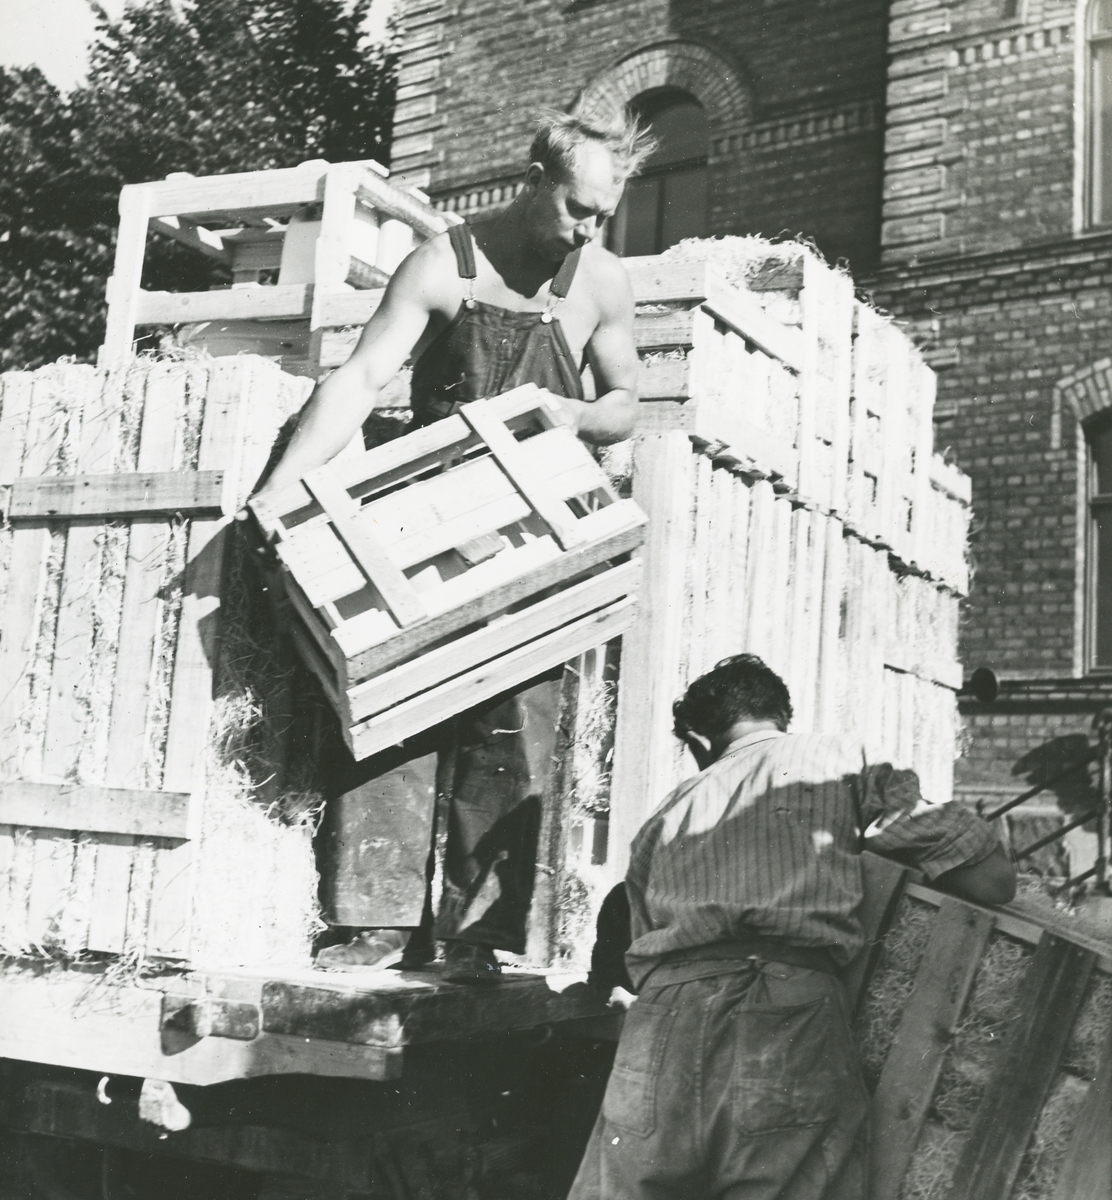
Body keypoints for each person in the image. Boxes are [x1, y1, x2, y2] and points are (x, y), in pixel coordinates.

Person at [251, 109, 655, 983]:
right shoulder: (445, 264)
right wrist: (283, 486)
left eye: (602, 215)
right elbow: (359, 379)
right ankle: (375, 920)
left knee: (512, 724)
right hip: (427, 516)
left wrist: (574, 414)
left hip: (531, 528)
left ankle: (475, 936)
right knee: (393, 703)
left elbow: (627, 401)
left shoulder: (601, 282)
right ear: (537, 177)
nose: (588, 229)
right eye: (578, 208)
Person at [571, 653, 1016, 1200]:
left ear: (698, 739)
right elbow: (992, 883)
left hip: (665, 1016)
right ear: (779, 717)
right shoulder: (836, 762)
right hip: (784, 1008)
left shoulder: (665, 815)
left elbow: (635, 943)